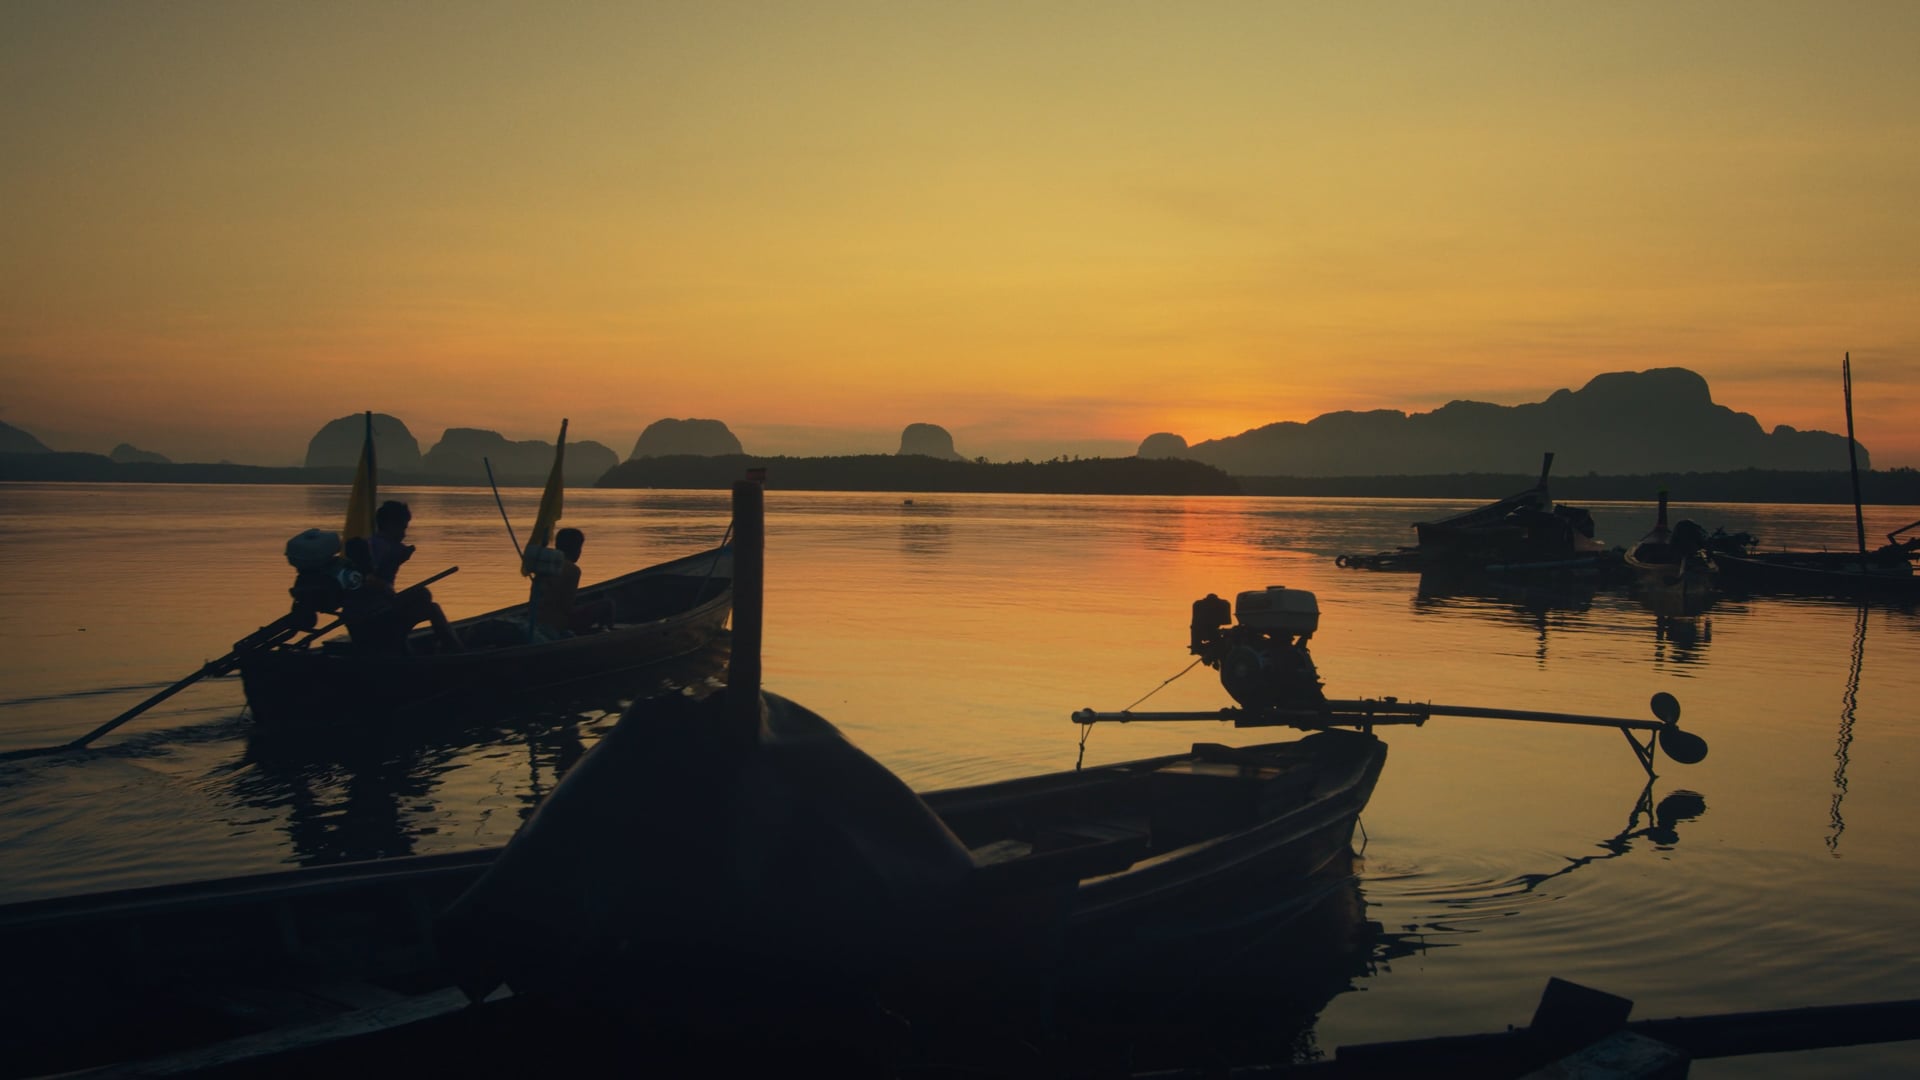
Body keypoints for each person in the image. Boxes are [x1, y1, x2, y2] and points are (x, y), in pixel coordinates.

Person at [343, 500, 463, 653]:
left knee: (423, 594)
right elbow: (366, 578)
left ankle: (401, 644)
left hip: (369, 617)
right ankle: (457, 651)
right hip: (372, 620)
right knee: (432, 609)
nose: (404, 534)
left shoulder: (372, 544)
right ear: (390, 525)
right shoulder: (382, 547)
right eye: (402, 528)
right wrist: (386, 584)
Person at [530, 527, 614, 639]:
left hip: (536, 619)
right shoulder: (572, 570)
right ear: (576, 549)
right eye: (580, 548)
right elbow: (566, 607)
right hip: (557, 624)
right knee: (607, 605)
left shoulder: (546, 563)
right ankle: (606, 634)